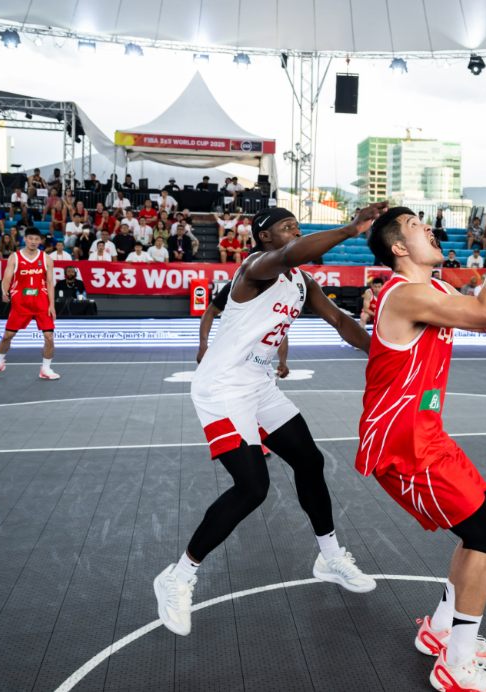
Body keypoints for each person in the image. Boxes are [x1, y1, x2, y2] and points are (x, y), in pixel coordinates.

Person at [153, 202, 388, 638]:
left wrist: (383, 354)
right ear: (265, 237)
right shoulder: (256, 268)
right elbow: (290, 254)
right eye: (287, 227)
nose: (295, 232)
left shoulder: (301, 281)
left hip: (259, 386)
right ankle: (177, 576)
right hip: (222, 389)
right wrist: (352, 228)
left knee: (309, 461)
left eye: (298, 226)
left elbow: (339, 320)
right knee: (252, 488)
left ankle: (329, 557)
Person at [357, 201, 486, 690]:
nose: (428, 228)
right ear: (398, 248)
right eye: (415, 225)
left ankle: (441, 629)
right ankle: (456, 663)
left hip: (426, 434)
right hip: (401, 443)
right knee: (484, 532)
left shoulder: (437, 290)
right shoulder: (404, 295)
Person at [0, 228, 59, 380]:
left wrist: (52, 305)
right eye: (31, 238)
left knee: (49, 338)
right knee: (7, 336)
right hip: (21, 303)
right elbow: (7, 278)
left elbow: (50, 282)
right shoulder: (15, 257)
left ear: (40, 241)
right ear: (25, 239)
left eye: (36, 239)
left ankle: (46, 369)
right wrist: (4, 291)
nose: (33, 242)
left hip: (41, 303)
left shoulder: (47, 259)